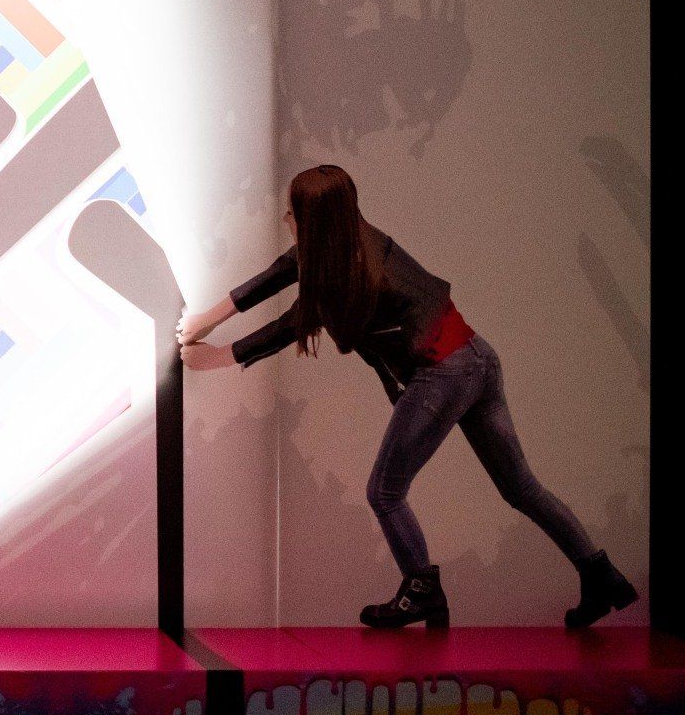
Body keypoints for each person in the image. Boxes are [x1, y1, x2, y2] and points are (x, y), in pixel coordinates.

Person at [176, 164, 637, 629]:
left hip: (445, 374)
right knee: (521, 487)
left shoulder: (347, 274)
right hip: (478, 359)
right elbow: (276, 275)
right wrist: (206, 322)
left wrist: (214, 357)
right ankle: (600, 573)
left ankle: (421, 589)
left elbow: (290, 321)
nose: (285, 220)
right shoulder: (351, 243)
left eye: (291, 212)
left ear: (314, 221)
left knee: (385, 491)